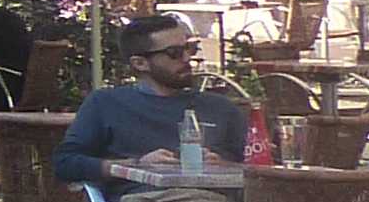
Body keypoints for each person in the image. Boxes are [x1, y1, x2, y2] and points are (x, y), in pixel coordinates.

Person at [54, 18, 247, 185]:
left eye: (189, 48)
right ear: (140, 63)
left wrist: (222, 164)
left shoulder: (221, 108)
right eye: (174, 53)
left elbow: (257, 167)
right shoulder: (106, 104)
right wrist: (137, 166)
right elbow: (65, 164)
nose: (187, 58)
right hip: (145, 201)